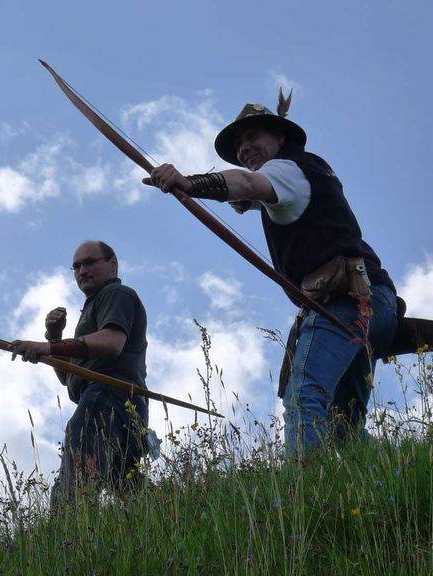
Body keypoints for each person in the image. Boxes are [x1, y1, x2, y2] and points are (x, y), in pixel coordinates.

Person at [142, 93, 398, 455]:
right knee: (344, 423)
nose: (243, 148)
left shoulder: (286, 169)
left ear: (279, 137)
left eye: (252, 136)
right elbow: (255, 192)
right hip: (375, 301)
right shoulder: (306, 170)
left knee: (304, 397)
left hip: (344, 305)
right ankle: (399, 476)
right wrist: (243, 197)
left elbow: (249, 184)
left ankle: (305, 487)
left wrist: (191, 183)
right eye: (238, 144)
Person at [10, 240, 148, 507]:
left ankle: (63, 530)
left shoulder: (116, 294)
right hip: (122, 403)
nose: (82, 271)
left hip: (108, 396)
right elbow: (68, 377)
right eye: (76, 267)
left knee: (77, 479)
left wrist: (47, 347)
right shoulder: (94, 308)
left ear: (113, 264)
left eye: (90, 262)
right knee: (128, 488)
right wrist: (54, 337)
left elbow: (112, 342)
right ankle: (171, 515)